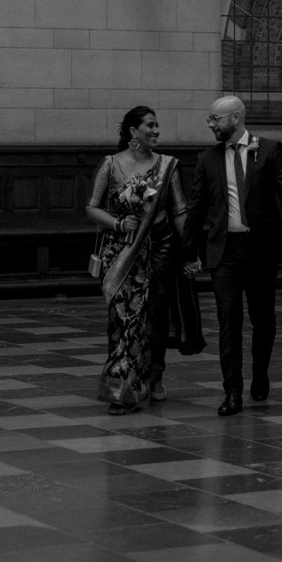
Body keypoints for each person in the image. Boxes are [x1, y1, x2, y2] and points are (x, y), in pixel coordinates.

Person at [183, 95, 282, 416]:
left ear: (235, 118)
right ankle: (232, 391)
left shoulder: (270, 150)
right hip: (225, 251)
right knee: (228, 320)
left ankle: (260, 373)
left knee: (263, 320)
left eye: (215, 119)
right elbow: (196, 210)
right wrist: (188, 252)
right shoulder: (207, 159)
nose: (210, 124)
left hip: (261, 249)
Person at [86, 106, 191, 414]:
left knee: (153, 320)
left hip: (158, 250)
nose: (156, 130)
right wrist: (119, 224)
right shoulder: (111, 165)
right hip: (120, 253)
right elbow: (92, 208)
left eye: (158, 125)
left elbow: (180, 211)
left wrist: (190, 251)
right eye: (150, 125)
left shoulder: (167, 166)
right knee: (122, 321)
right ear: (133, 131)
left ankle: (152, 376)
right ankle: (122, 391)